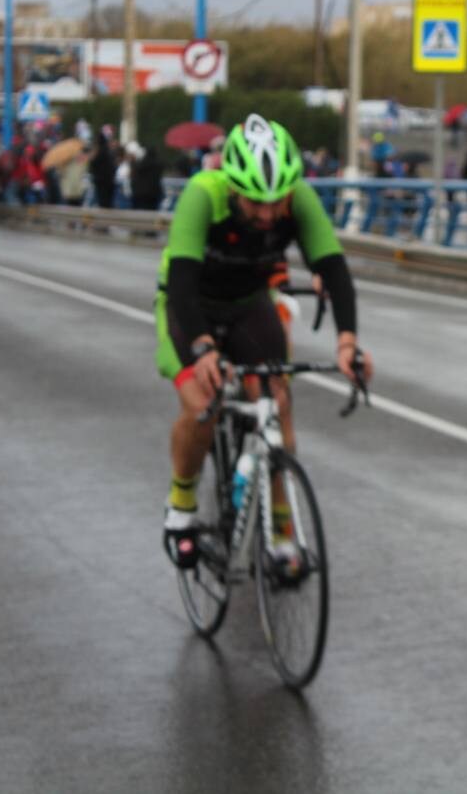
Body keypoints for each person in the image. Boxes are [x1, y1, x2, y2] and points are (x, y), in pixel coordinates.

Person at [155, 114, 373, 570]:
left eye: (278, 201)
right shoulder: (203, 196)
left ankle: (281, 535)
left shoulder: (301, 199)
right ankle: (181, 506)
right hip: (190, 304)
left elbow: (333, 268)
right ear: (233, 186)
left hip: (248, 302)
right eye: (255, 202)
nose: (268, 213)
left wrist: (348, 343)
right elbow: (180, 285)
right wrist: (203, 348)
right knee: (202, 401)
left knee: (278, 400)